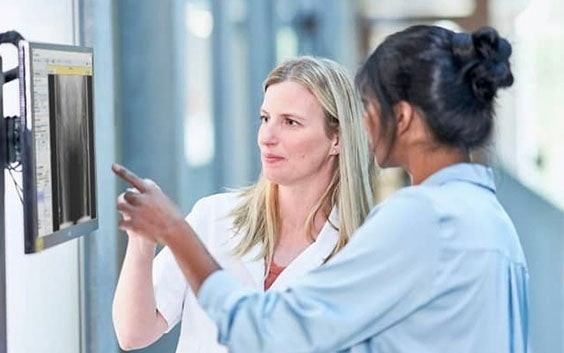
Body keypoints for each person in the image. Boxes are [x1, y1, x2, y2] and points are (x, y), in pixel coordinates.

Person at [114, 25, 529, 353]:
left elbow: (268, 330)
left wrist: (174, 231)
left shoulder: (419, 219)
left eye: (369, 107)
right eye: (264, 118)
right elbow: (134, 331)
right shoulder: (489, 221)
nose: (365, 124)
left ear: (401, 118)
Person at [112, 56, 377, 352]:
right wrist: (141, 242)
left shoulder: (362, 253)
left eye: (290, 122)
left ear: (337, 139)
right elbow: (133, 333)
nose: (267, 137)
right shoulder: (213, 218)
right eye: (265, 119)